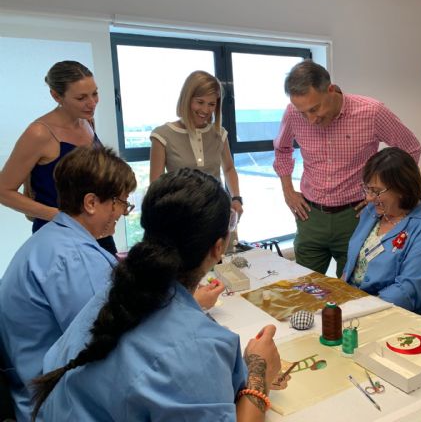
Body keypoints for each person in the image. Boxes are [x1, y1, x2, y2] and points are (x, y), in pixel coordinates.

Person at [31, 169, 281, 421]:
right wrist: (260, 372)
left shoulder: (113, 296)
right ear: (218, 248)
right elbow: (174, 355)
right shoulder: (197, 350)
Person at [0, 146, 136, 422]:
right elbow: (105, 346)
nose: (122, 212)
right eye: (120, 202)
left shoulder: (53, 237)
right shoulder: (74, 258)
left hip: (31, 386)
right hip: (56, 403)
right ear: (91, 203)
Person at [274, 60, 421, 278]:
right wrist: (287, 190)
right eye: (303, 112)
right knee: (303, 287)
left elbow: (411, 148)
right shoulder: (293, 114)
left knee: (352, 290)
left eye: (315, 109)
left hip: (355, 216)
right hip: (310, 216)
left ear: (331, 90)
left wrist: (381, 194)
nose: (311, 120)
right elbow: (282, 149)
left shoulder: (371, 112)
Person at [0, 60, 118, 254]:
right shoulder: (39, 133)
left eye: (95, 93)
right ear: (56, 96)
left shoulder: (87, 120)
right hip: (59, 236)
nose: (92, 103)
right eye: (81, 98)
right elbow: (3, 191)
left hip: (97, 231)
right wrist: (58, 216)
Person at [342, 148, 421, 316]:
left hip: (394, 314)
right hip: (355, 305)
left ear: (402, 188)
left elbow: (408, 290)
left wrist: (360, 309)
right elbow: (352, 266)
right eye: (367, 189)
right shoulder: (372, 212)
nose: (368, 198)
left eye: (376, 191)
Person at [150, 70, 243, 217]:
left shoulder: (219, 133)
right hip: (180, 217)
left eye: (211, 104)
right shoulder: (162, 135)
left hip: (216, 213)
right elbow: (156, 187)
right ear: (187, 99)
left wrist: (236, 198)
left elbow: (229, 168)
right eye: (200, 102)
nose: (205, 110)